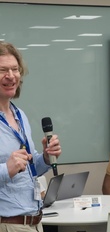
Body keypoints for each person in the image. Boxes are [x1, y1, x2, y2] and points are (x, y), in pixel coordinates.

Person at [0, 41, 62, 232]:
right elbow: (11, 168)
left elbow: (30, 168)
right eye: (3, 70)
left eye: (15, 69)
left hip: (34, 222)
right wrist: (6, 169)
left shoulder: (20, 115)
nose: (11, 76)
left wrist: (44, 157)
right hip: (8, 225)